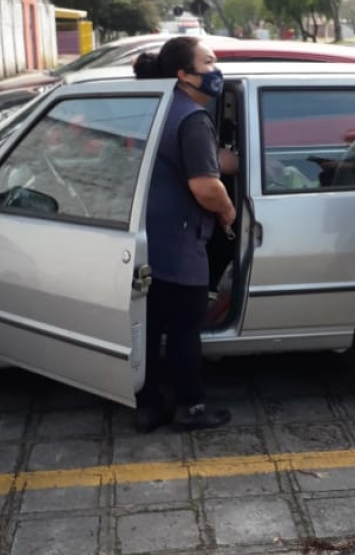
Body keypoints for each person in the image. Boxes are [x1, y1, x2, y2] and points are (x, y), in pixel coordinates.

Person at [132, 37, 239, 433]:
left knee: (152, 327)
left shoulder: (159, 108)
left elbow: (189, 159)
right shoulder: (193, 117)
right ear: (183, 74)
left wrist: (227, 160)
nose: (216, 69)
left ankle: (148, 405)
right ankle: (190, 407)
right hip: (179, 246)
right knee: (184, 331)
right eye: (208, 62)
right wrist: (228, 211)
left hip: (146, 241)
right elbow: (205, 187)